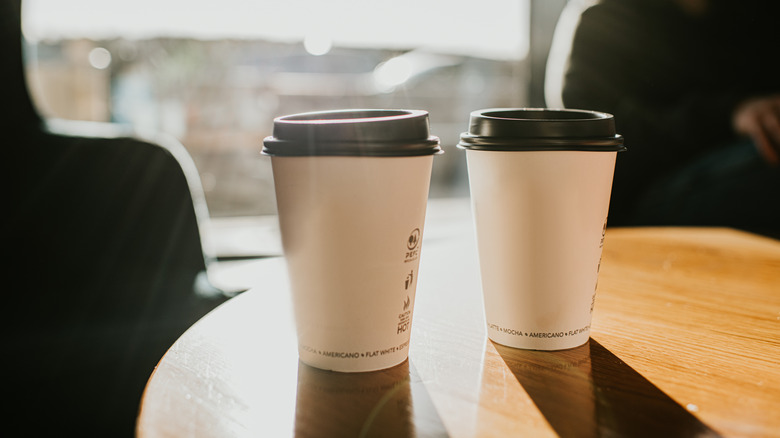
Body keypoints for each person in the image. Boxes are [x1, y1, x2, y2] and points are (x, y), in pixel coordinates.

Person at [547, 0, 780, 236]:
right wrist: (730, 115)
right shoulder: (605, 22)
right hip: (642, 196)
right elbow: (599, 136)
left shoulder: (756, 17)